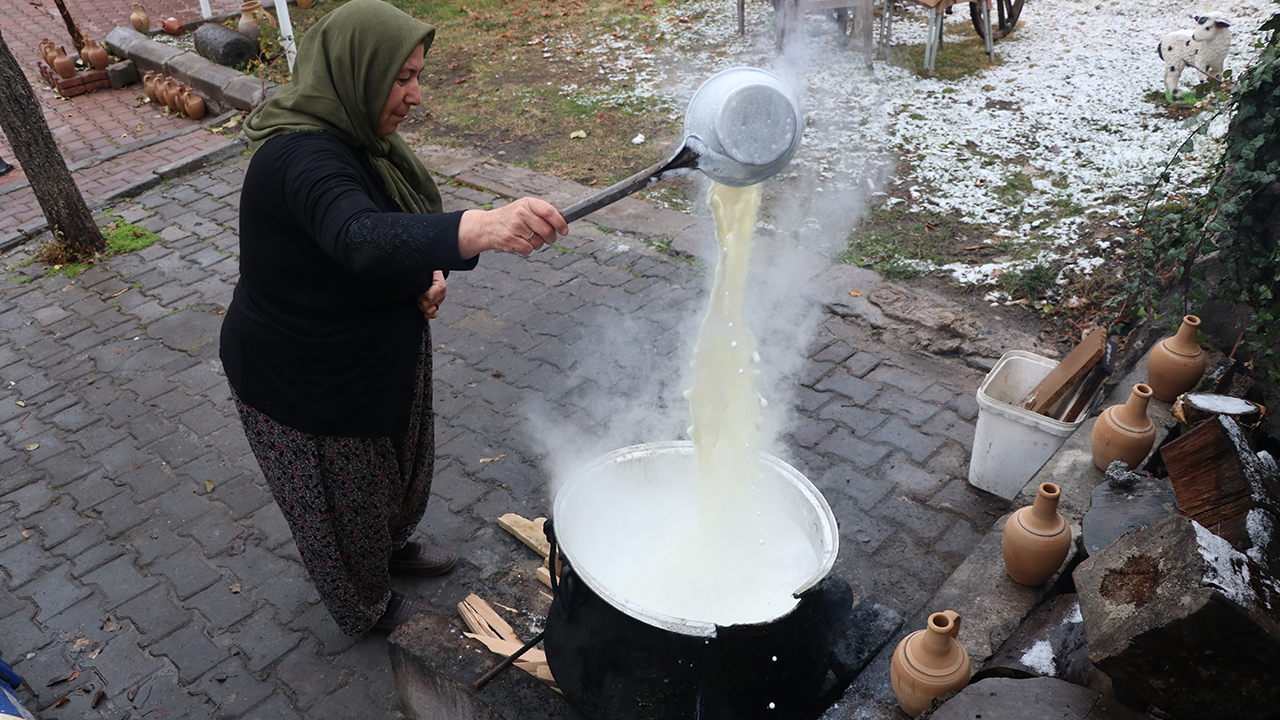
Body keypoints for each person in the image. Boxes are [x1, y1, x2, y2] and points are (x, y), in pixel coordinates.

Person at [219, 0, 567, 636]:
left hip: (374, 350)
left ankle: (391, 545)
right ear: (356, 70)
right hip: (306, 380)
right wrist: (485, 225)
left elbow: (389, 236)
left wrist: (423, 278)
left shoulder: (364, 141)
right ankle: (365, 604)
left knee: (395, 470)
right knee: (339, 503)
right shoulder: (298, 158)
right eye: (400, 77)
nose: (413, 96)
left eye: (418, 76)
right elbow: (359, 236)